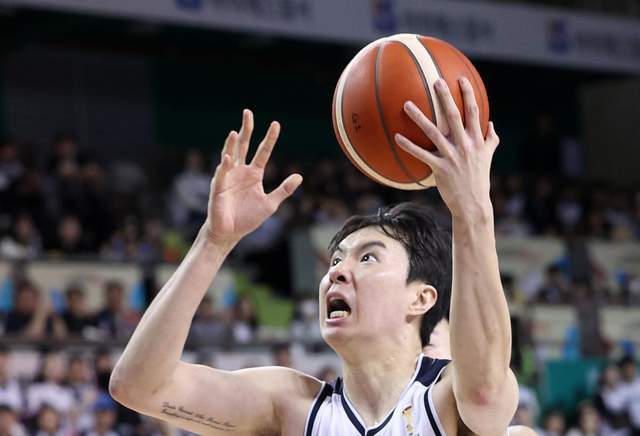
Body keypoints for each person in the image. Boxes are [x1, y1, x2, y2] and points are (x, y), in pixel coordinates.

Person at [110, 78, 518, 435]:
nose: (337, 272)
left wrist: (472, 211)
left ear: (421, 298)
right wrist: (214, 241)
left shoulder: (446, 398)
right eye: (336, 260)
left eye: (368, 258)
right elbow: (139, 387)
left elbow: (484, 391)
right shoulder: (291, 406)